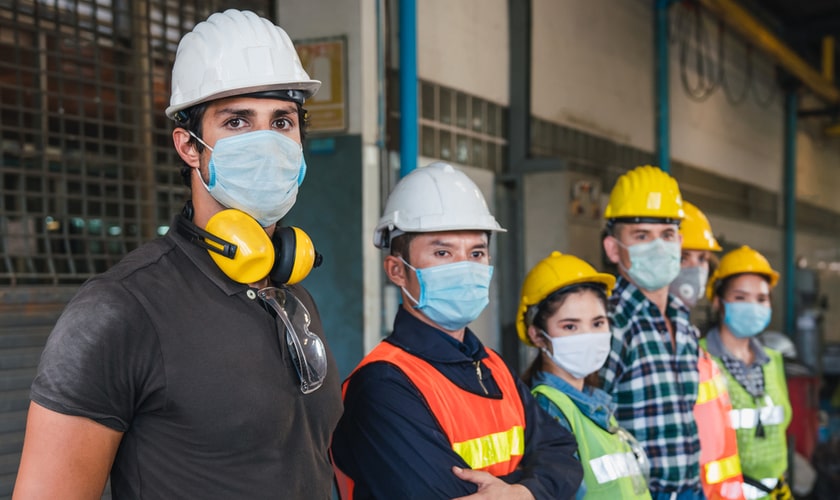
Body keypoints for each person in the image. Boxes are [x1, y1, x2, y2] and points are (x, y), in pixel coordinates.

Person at [13, 10, 342, 499]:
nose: (267, 141)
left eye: (282, 121)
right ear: (189, 146)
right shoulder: (120, 310)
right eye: (237, 122)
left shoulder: (291, 293)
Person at [330, 163, 582, 499]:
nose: (464, 266)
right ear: (397, 271)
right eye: (443, 252)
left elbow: (564, 453)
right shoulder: (382, 386)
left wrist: (521, 493)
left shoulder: (493, 366)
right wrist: (534, 484)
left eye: (476, 252)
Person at [599, 165, 704, 500]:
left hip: (690, 490)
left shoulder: (683, 322)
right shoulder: (609, 323)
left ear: (679, 243)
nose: (658, 246)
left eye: (667, 235)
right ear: (614, 249)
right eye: (642, 236)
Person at [518, 251, 652, 499]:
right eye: (570, 326)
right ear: (537, 335)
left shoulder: (594, 405)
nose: (587, 336)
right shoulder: (549, 408)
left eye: (598, 323)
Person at [703, 246, 793, 499]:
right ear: (718, 301)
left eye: (761, 299)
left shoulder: (772, 361)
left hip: (776, 493)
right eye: (741, 298)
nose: (753, 306)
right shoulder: (700, 359)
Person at [674, 201, 746, 500]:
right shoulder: (644, 344)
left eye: (702, 258)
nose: (695, 269)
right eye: (683, 257)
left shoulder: (695, 349)